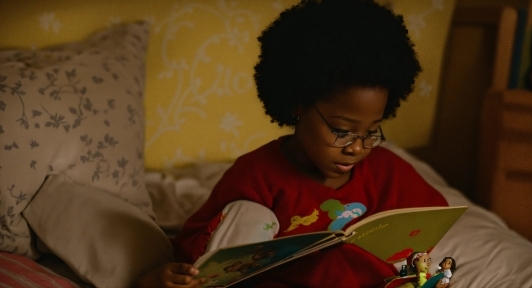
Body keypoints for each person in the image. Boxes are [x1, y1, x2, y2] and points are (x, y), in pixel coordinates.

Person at [138, 0, 448, 286]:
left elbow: (430, 223)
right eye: (341, 131)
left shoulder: (387, 169)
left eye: (372, 132)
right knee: (248, 213)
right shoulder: (257, 174)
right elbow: (198, 254)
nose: (356, 148)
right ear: (298, 104)